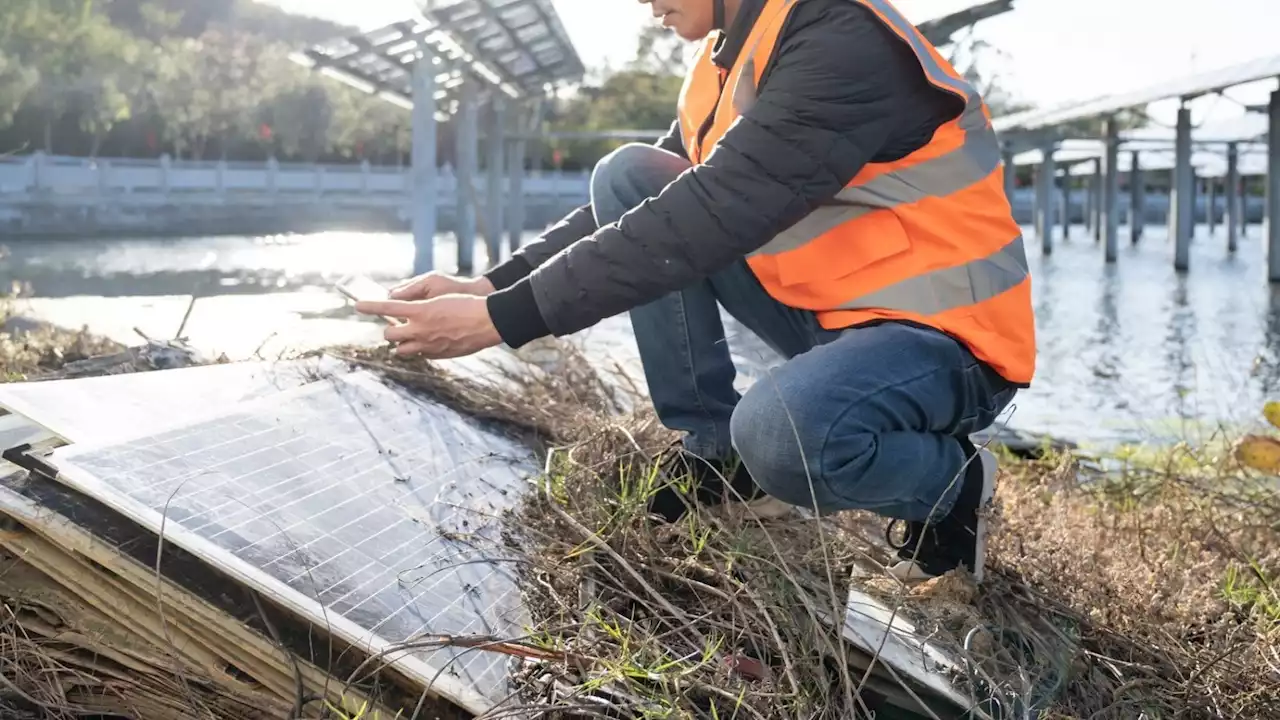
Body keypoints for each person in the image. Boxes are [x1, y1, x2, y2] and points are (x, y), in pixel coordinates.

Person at [355, 0, 1036, 585]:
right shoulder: (728, 57)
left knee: (782, 435)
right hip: (842, 321)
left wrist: (503, 321)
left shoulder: (841, 42)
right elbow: (641, 210)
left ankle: (954, 485)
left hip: (950, 341)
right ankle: (715, 455)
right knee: (630, 176)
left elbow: (713, 210)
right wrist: (492, 285)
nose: (645, 5)